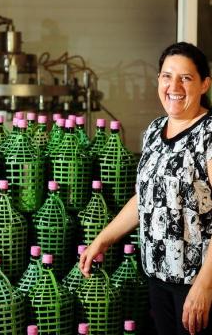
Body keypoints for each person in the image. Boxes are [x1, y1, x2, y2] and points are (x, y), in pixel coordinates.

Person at [79, 42, 212, 335]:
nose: (173, 86)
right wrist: (102, 240)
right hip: (157, 275)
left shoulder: (209, 134)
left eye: (186, 78)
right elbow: (147, 198)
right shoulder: (154, 130)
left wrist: (205, 284)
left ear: (204, 84)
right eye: (167, 76)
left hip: (197, 282)